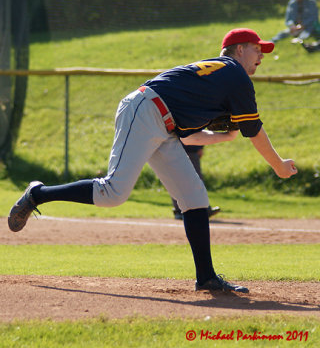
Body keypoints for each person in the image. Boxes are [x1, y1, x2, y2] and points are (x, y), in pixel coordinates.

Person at [8, 28, 298, 294]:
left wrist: (221, 138)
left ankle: (206, 277)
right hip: (146, 111)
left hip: (160, 122)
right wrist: (278, 165)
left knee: (194, 198)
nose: (261, 55)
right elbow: (254, 130)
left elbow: (188, 136)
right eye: (256, 48)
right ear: (238, 50)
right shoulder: (235, 75)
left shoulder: (217, 76)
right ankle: (37, 194)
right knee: (113, 192)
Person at [171, 143, 220, 220]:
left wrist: (200, 147)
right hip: (176, 148)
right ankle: (178, 210)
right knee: (177, 180)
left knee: (197, 181)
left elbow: (197, 130)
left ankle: (203, 208)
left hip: (191, 149)